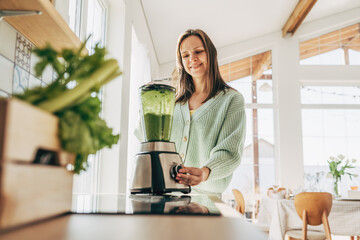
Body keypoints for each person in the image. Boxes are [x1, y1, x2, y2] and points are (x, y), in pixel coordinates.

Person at [171, 29, 246, 197]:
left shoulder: (232, 100)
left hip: (207, 201)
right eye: (185, 55)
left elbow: (230, 151)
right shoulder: (173, 102)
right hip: (168, 197)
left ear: (210, 54)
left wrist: (206, 172)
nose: (192, 59)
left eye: (198, 52)